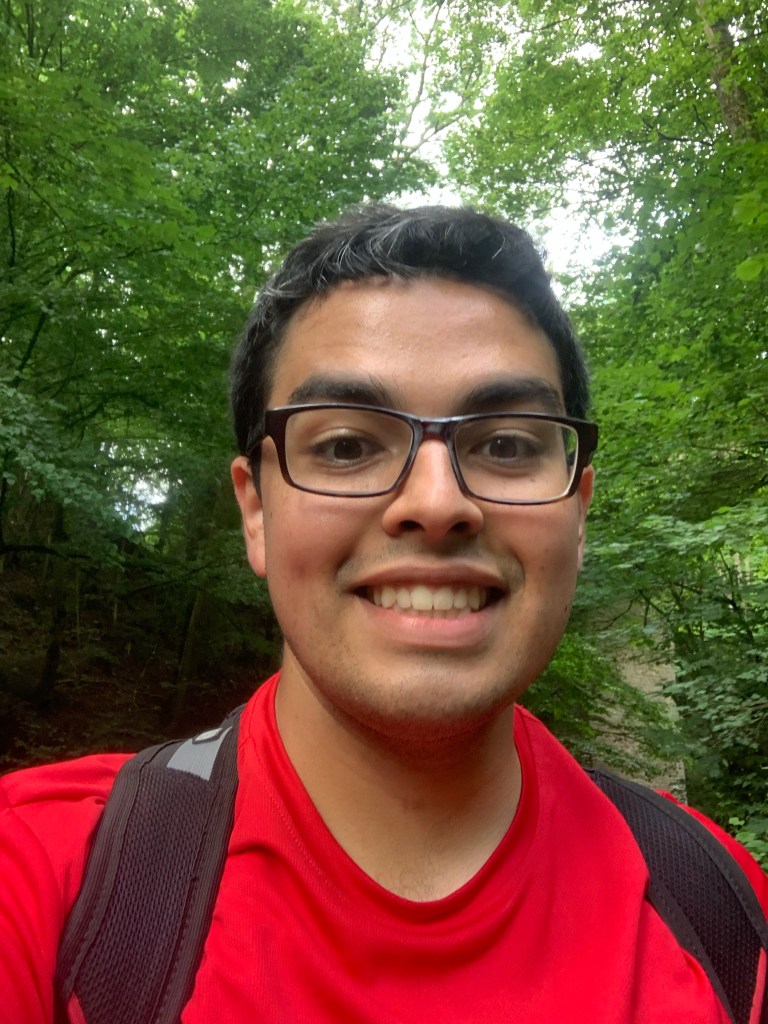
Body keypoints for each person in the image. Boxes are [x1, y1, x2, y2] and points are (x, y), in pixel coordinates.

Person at [1, 204, 765, 1023]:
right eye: (346, 446)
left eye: (507, 445)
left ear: (577, 513)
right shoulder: (48, 881)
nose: (435, 505)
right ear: (255, 511)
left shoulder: (719, 912)